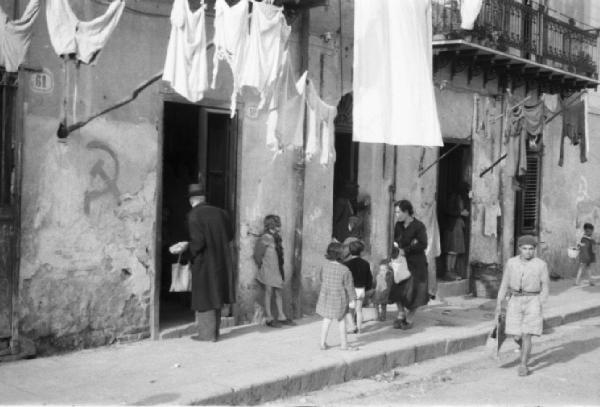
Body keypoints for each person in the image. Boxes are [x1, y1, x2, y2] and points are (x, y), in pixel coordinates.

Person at [170, 180, 235, 342]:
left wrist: (185, 247)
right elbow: (230, 236)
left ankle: (206, 335)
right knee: (217, 294)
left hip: (204, 263)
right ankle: (215, 333)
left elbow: (198, 242)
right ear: (203, 198)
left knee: (204, 296)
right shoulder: (221, 213)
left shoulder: (193, 215)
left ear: (191, 201)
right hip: (221, 260)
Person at [495, 235, 550, 377]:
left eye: (531, 249)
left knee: (527, 334)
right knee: (515, 334)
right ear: (519, 248)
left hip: (533, 300)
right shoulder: (511, 263)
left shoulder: (541, 264)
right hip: (515, 300)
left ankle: (523, 364)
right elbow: (504, 283)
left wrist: (540, 302)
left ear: (535, 249)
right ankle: (525, 349)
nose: (528, 252)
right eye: (525, 248)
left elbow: (545, 285)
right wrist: (499, 303)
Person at [388, 200, 429, 330]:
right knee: (397, 288)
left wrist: (406, 250)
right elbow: (396, 241)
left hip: (416, 263)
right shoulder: (398, 225)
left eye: (398, 212)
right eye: (395, 212)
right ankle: (401, 313)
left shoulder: (419, 226)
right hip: (401, 262)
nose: (396, 215)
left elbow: (423, 244)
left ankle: (410, 317)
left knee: (415, 291)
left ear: (406, 212)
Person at [253, 214, 295, 327]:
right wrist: (261, 265)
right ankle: (269, 318)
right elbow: (257, 254)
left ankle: (281, 316)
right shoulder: (265, 237)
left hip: (277, 269)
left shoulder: (276, 237)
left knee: (279, 292)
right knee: (268, 292)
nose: (280, 227)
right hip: (268, 269)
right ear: (272, 225)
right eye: (278, 224)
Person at [316, 242, 357, 350]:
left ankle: (322, 343)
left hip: (326, 296)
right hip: (340, 299)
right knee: (341, 321)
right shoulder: (345, 270)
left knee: (326, 320)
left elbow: (321, 279)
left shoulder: (324, 266)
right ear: (341, 254)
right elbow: (349, 286)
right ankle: (344, 345)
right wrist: (353, 299)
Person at [442, 182, 470, 280]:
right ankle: (448, 272)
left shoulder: (462, 198)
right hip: (452, 226)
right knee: (451, 250)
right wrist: (460, 213)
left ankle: (452, 270)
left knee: (456, 250)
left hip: (458, 226)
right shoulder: (453, 197)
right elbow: (447, 210)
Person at [344, 240, 373, 334]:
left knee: (350, 309)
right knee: (359, 310)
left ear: (349, 251)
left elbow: (345, 279)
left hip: (351, 290)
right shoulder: (365, 263)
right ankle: (360, 328)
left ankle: (352, 327)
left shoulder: (347, 264)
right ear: (361, 251)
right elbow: (369, 278)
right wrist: (368, 288)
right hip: (361, 289)